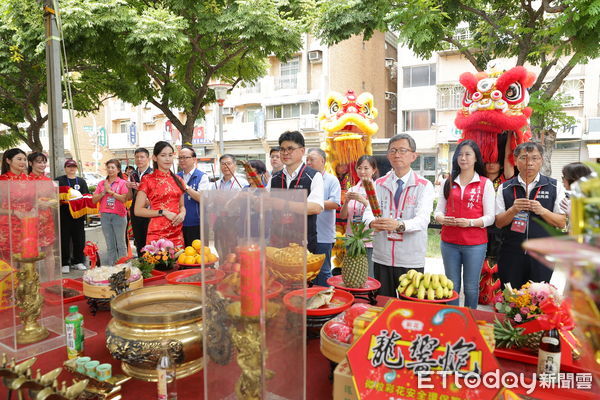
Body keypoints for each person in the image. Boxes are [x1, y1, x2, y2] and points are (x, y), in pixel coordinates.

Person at [363, 134, 435, 297]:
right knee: (383, 304)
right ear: (388, 155)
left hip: (410, 258)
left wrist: (399, 225)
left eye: (403, 150)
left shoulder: (424, 185)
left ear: (413, 156)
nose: (397, 155)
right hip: (383, 256)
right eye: (393, 151)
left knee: (411, 308)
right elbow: (367, 213)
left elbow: (423, 220)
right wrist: (372, 223)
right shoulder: (379, 183)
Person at [495, 142, 567, 287]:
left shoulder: (554, 186)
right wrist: (513, 210)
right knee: (510, 299)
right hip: (511, 253)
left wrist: (543, 211)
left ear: (542, 160)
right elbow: (498, 223)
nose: (529, 163)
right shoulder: (505, 187)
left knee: (537, 299)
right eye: (523, 158)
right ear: (515, 161)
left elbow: (561, 222)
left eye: (535, 158)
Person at [434, 140, 495, 308]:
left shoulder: (485, 183)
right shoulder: (449, 182)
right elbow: (438, 211)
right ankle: (452, 319)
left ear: (476, 158)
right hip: (449, 242)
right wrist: (442, 219)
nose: (463, 158)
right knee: (451, 286)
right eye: (460, 154)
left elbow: (490, 217)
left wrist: (469, 222)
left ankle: (470, 322)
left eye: (468, 154)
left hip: (475, 244)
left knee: (471, 287)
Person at [267, 130, 324, 253]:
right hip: (278, 241)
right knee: (278, 272)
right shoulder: (275, 177)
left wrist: (284, 205)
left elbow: (315, 207)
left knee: (302, 272)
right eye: (282, 149)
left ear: (302, 151)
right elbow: (266, 203)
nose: (285, 153)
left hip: (304, 242)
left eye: (290, 148)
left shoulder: (313, 176)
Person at [134, 141, 186, 247]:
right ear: (155, 158)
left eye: (170, 155)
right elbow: (138, 210)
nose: (168, 159)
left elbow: (181, 206)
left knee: (179, 263)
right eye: (163, 155)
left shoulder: (179, 180)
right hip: (157, 234)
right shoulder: (147, 179)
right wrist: (163, 212)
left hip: (177, 232)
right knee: (159, 263)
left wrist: (182, 214)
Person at [339, 155, 378, 278]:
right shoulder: (352, 189)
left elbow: (378, 214)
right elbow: (343, 216)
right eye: (359, 168)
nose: (362, 172)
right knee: (352, 276)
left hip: (369, 241)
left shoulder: (378, 189)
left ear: (374, 170)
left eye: (366, 168)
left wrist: (364, 201)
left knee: (368, 275)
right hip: (352, 239)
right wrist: (346, 201)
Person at [306, 148, 341, 286]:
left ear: (323, 161)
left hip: (323, 236)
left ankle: (328, 300)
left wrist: (312, 205)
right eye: (307, 159)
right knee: (308, 271)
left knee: (324, 271)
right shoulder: (305, 178)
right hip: (306, 234)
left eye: (312, 159)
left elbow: (335, 203)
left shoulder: (331, 180)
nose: (308, 162)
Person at [92, 159, 129, 265]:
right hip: (105, 215)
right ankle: (112, 267)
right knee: (110, 244)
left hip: (119, 216)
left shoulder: (122, 183)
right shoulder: (101, 183)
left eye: (113, 167)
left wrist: (111, 192)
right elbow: (94, 200)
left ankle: (123, 267)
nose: (110, 170)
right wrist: (104, 192)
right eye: (108, 167)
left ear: (118, 170)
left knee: (121, 243)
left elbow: (124, 199)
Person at [56, 159, 89, 273]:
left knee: (79, 239)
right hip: (64, 214)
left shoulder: (81, 181)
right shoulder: (59, 180)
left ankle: (78, 261)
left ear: (76, 168)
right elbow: (54, 196)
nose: (71, 169)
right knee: (64, 239)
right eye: (69, 167)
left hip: (78, 215)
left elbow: (86, 196)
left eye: (74, 167)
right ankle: (64, 262)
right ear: (65, 168)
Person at [177, 146, 210, 247]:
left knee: (197, 256)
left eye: (185, 157)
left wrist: (186, 187)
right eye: (180, 158)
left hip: (197, 223)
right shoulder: (176, 176)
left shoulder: (202, 176)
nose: (182, 160)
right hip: (178, 223)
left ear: (194, 159)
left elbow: (202, 198)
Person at [127, 148, 153, 256]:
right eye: (137, 157)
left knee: (150, 239)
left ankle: (152, 265)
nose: (139, 159)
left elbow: (156, 195)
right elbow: (129, 197)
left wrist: (141, 188)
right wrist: (128, 187)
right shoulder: (132, 174)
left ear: (148, 158)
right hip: (136, 211)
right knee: (138, 239)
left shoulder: (153, 173)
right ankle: (142, 264)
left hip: (151, 211)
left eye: (142, 157)